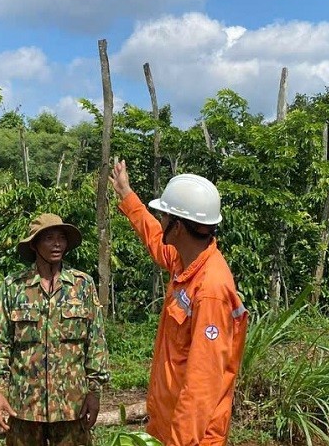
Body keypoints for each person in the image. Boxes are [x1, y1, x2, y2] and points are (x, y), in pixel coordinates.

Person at [110, 160, 247, 446]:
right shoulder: (186, 261)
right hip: (167, 423)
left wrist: (181, 442)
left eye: (164, 216)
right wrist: (127, 194)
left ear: (180, 226)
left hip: (189, 436)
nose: (160, 222)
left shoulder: (210, 289)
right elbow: (156, 242)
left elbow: (202, 384)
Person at [0, 213, 109, 446]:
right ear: (34, 244)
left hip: (72, 405)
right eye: (49, 238)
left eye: (61, 238)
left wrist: (95, 392)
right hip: (24, 407)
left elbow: (96, 341)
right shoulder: (14, 287)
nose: (57, 244)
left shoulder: (82, 285)